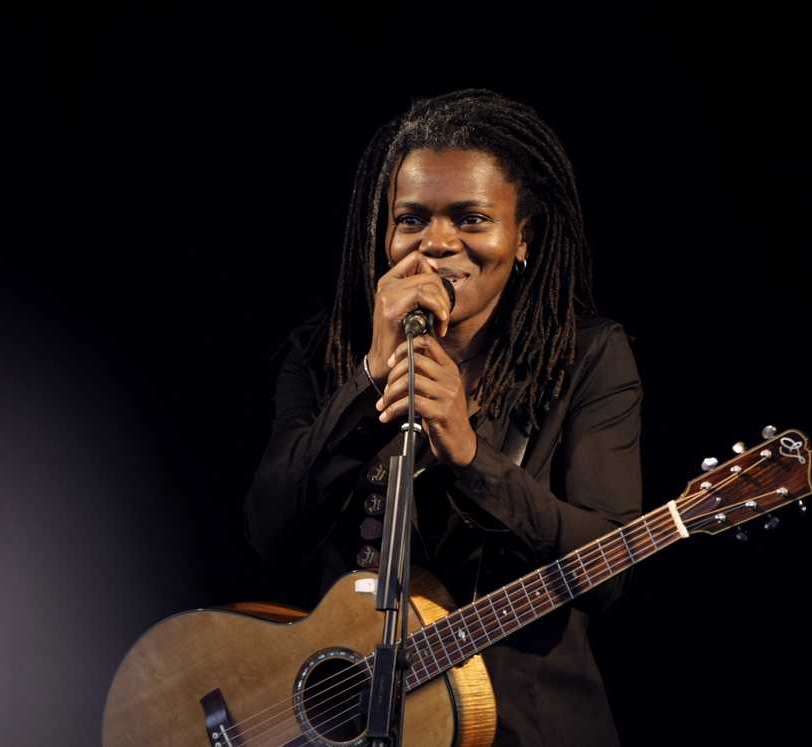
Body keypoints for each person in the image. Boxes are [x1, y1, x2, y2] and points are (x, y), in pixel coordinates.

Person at [246, 88, 643, 746]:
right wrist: (368, 381)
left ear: (522, 236)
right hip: (351, 727)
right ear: (383, 232)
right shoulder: (322, 358)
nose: (435, 243)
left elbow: (608, 571)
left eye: (469, 218)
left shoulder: (587, 358)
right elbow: (270, 528)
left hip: (525, 726)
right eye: (411, 219)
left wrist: (469, 455)